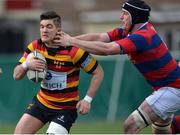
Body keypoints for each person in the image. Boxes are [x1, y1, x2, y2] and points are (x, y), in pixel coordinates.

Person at [56, 0, 180, 134]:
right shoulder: (130, 32)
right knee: (162, 132)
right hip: (165, 88)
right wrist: (65, 41)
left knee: (130, 125)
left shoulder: (142, 36)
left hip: (173, 89)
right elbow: (98, 37)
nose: (121, 17)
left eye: (125, 14)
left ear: (136, 16)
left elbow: (107, 49)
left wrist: (71, 41)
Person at [13, 11, 104, 134]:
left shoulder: (73, 51)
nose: (44, 30)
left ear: (59, 29)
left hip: (65, 110)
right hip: (41, 103)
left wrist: (87, 100)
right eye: (42, 27)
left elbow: (98, 72)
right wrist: (26, 65)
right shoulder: (34, 47)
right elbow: (16, 75)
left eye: (49, 27)